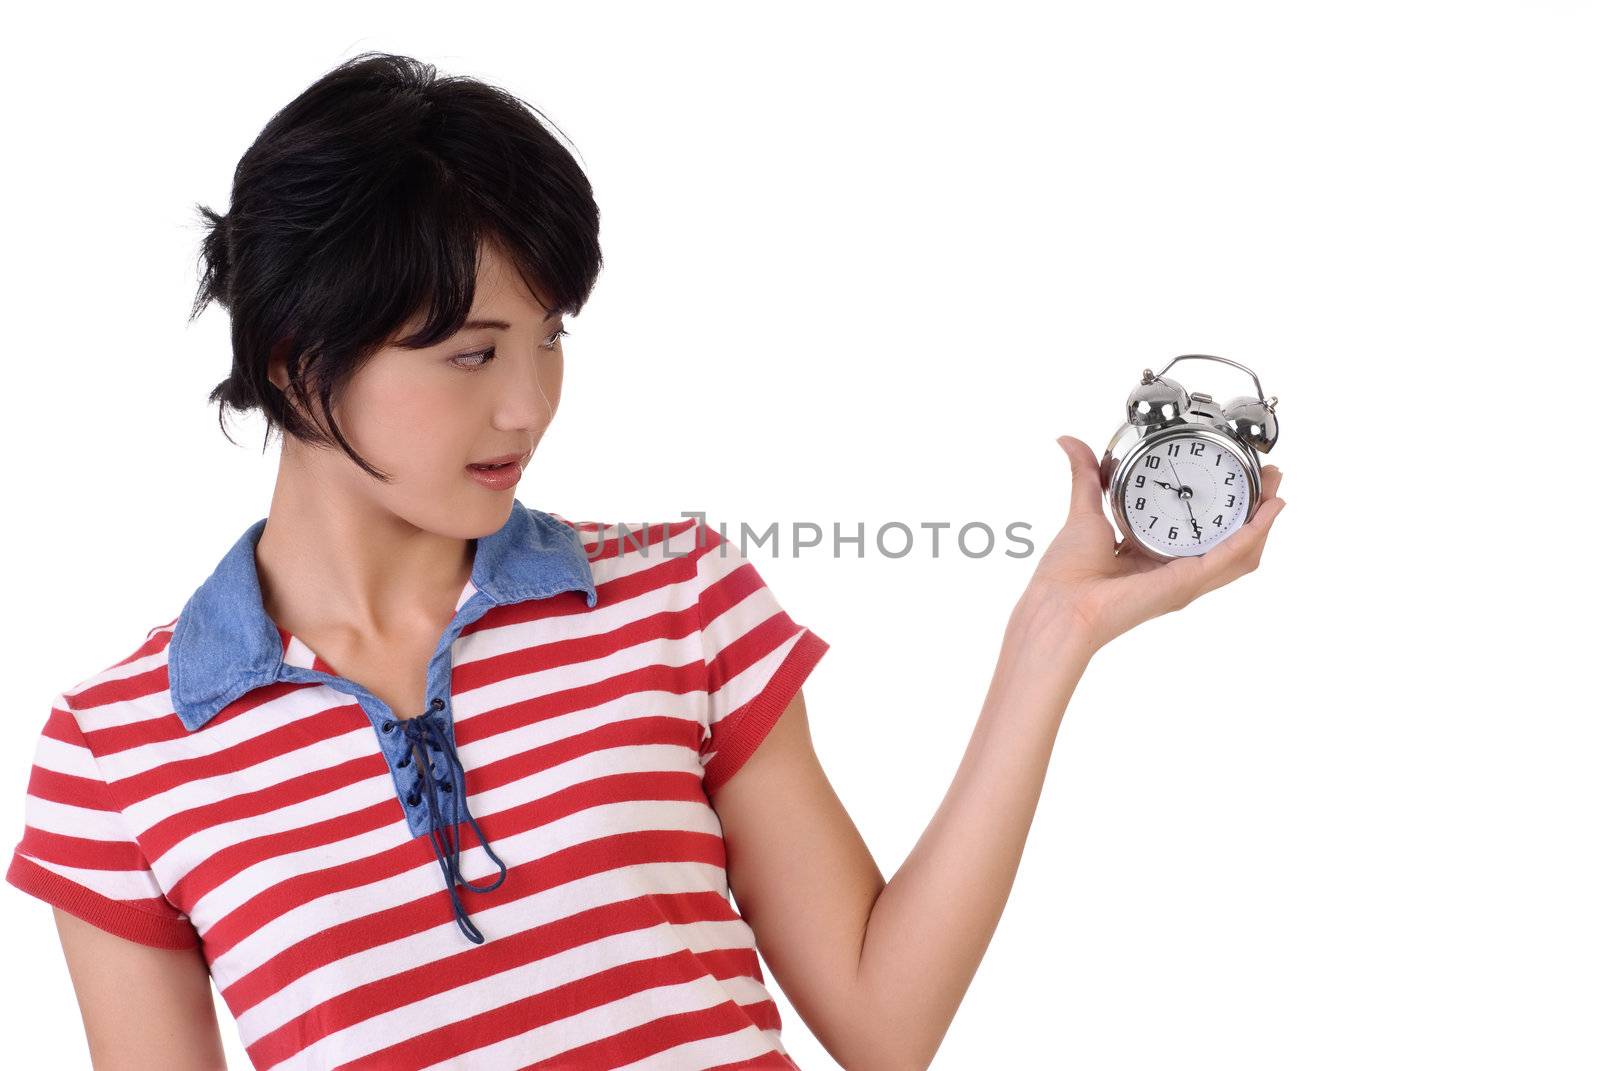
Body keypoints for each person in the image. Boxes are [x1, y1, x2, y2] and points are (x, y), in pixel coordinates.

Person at [5, 51, 1286, 1071]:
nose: (527, 406)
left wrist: (1049, 635)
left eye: (549, 338)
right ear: (294, 358)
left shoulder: (674, 596)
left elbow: (882, 1027)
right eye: (471, 352)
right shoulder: (115, 759)